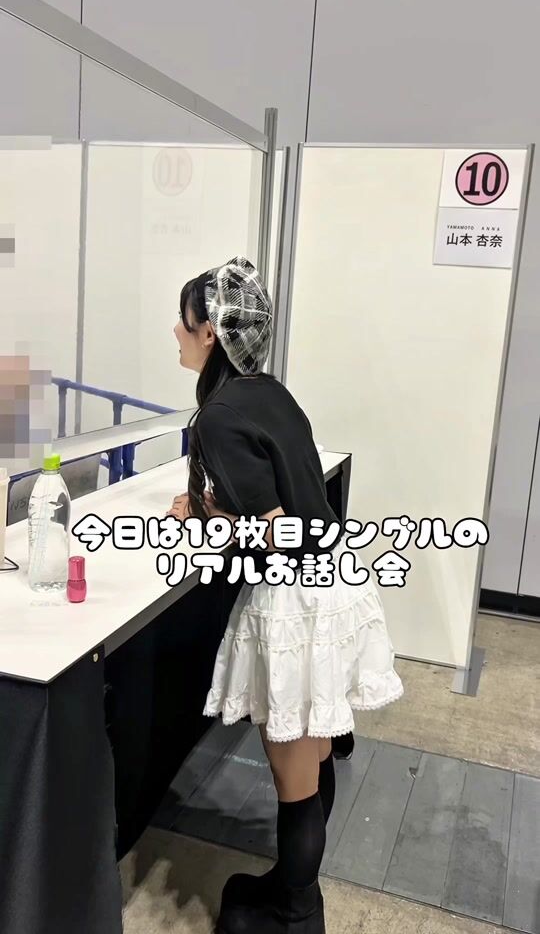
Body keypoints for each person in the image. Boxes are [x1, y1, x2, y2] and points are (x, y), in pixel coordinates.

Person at [168, 256, 403, 934]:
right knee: (314, 755)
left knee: (293, 776)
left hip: (297, 602)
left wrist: (211, 520)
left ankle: (298, 914)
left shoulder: (217, 417)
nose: (176, 333)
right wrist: (212, 509)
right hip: (333, 585)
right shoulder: (269, 391)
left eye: (184, 322)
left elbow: (275, 533)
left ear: (211, 332)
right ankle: (290, 889)